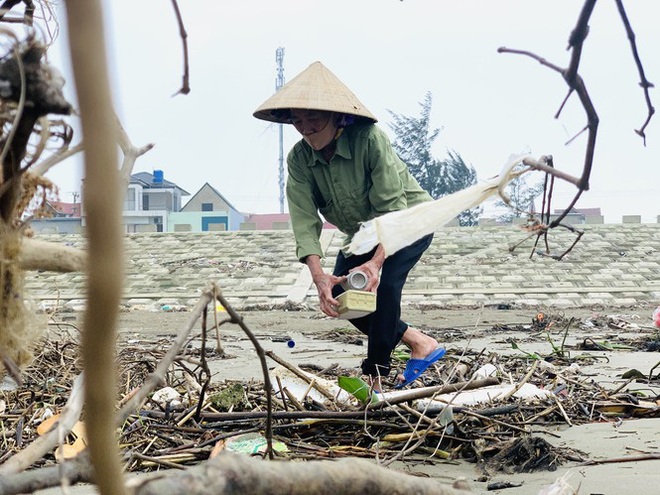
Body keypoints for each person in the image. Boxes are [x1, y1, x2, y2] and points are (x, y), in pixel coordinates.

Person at [253, 61, 444, 391]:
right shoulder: (299, 159)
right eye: (298, 120)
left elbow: (392, 211)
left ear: (336, 116)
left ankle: (376, 375)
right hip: (362, 233)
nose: (306, 127)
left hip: (408, 220)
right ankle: (419, 342)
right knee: (344, 295)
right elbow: (303, 219)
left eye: (314, 118)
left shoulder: (370, 140)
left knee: (384, 288)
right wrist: (319, 278)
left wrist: (375, 264)